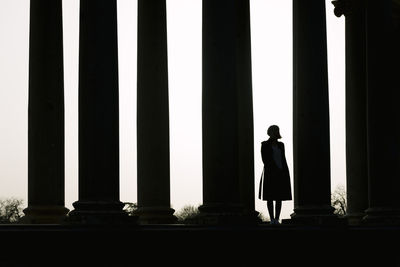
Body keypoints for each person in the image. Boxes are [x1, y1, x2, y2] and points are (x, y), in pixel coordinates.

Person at [258, 125, 292, 225]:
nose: (275, 133)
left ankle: (277, 218)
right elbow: (264, 160)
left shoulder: (281, 145)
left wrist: (284, 171)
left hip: (281, 173)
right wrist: (274, 168)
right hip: (270, 173)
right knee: (269, 197)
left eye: (276, 131)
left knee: (279, 197)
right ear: (270, 132)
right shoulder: (264, 144)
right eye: (274, 131)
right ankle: (272, 218)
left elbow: (283, 159)